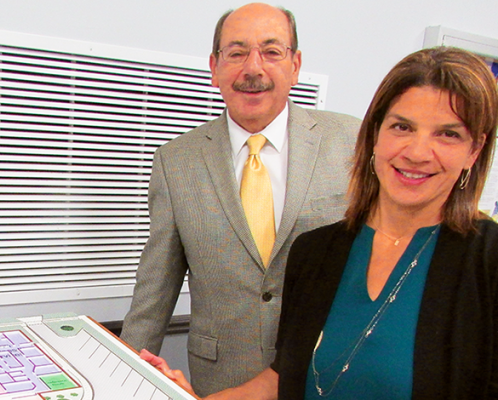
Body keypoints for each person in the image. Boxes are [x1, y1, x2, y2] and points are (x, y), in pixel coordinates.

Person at [145, 46, 498, 399]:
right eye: (402, 126)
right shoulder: (315, 252)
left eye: (448, 134)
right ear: (375, 133)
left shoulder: (487, 260)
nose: (418, 152)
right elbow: (284, 376)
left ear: (474, 151)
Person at [120, 2, 360, 396]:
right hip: (222, 377)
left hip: (325, 371)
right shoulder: (176, 160)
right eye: (236, 53)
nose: (253, 68)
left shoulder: (351, 141)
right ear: (214, 68)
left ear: (295, 65)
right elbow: (155, 287)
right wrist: (124, 370)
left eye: (271, 51)